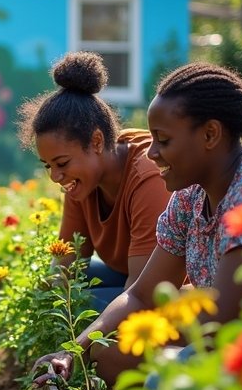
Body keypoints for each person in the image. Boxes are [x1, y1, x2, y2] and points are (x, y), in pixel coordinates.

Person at [33, 61, 242, 389]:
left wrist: (162, 342)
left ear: (210, 134)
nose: (152, 152)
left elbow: (224, 323)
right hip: (212, 329)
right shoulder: (190, 192)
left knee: (159, 381)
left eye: (163, 140)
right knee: (106, 355)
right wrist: (74, 351)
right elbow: (143, 294)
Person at [18, 51, 171, 311]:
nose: (55, 177)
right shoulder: (82, 183)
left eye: (62, 163)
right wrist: (43, 304)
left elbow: (142, 294)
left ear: (97, 142)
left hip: (169, 293)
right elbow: (66, 267)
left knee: (78, 306)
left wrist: (64, 312)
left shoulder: (148, 175)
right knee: (55, 297)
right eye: (48, 166)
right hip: (129, 279)